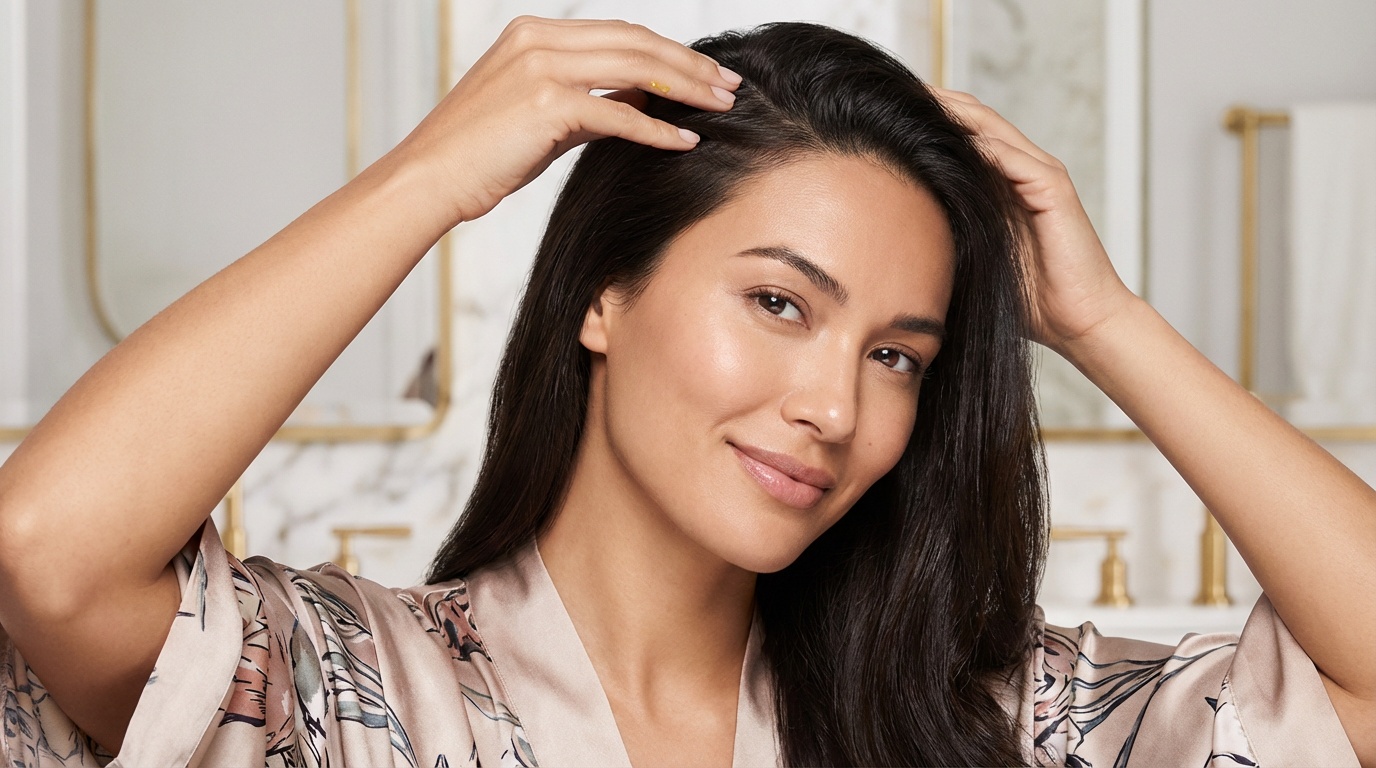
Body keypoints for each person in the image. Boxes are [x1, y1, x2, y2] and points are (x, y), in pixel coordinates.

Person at [0, 16, 1371, 768]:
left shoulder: (982, 722)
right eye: (780, 303)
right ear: (604, 292)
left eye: (899, 354)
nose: (836, 406)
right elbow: (52, 552)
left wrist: (1107, 322)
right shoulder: (351, 696)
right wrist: (429, 178)